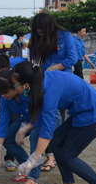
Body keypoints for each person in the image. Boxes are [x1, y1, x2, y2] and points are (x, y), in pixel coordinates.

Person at [11, 62, 96, 184]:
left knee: (68, 155)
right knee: (57, 143)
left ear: (26, 84)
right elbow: (41, 115)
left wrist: (32, 160)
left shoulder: (49, 92)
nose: (14, 88)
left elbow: (47, 130)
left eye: (15, 84)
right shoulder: (42, 81)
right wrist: (25, 128)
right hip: (81, 113)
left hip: (95, 115)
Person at [0, 69, 61, 184]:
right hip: (29, 118)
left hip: (48, 117)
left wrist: (25, 128)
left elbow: (42, 115)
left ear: (15, 87)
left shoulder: (27, 92)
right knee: (8, 138)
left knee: (35, 134)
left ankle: (33, 177)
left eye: (5, 92)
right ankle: (26, 167)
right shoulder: (5, 98)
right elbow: (3, 122)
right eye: (0, 93)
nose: (3, 96)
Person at [29, 12, 77, 170]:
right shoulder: (38, 38)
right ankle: (49, 156)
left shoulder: (66, 36)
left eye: (41, 31)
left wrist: (54, 68)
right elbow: (35, 59)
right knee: (49, 118)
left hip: (63, 83)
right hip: (45, 83)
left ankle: (55, 155)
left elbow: (72, 58)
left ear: (50, 25)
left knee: (58, 119)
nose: (39, 34)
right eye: (37, 32)